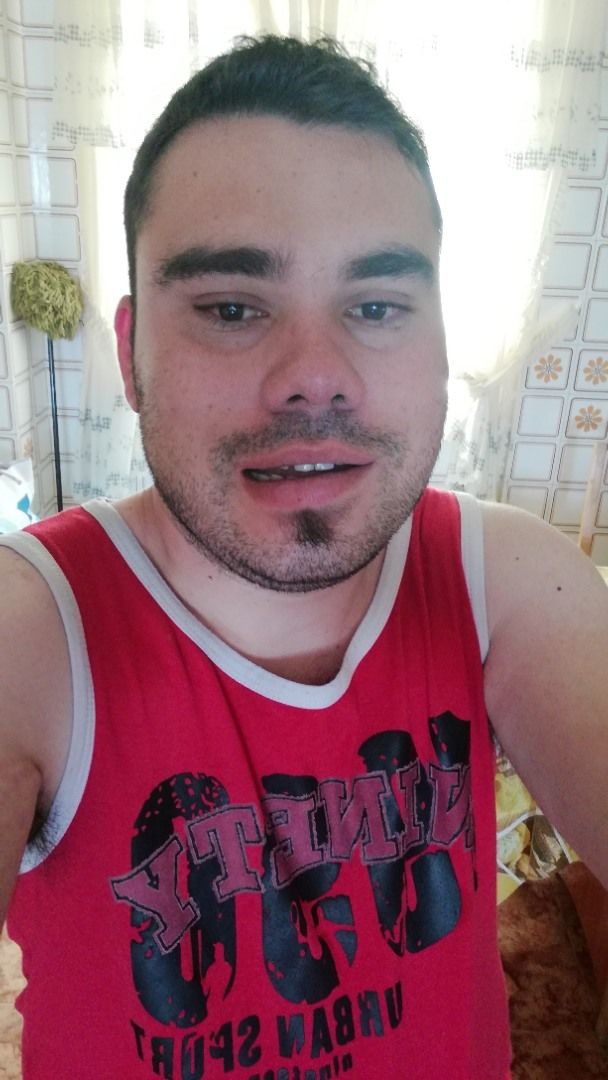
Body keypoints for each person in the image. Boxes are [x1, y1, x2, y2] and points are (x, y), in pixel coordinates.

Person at [0, 34, 606, 1080]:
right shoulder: (34, 631)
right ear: (131, 352)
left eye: (374, 307)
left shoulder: (508, 580)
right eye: (233, 308)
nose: (315, 376)